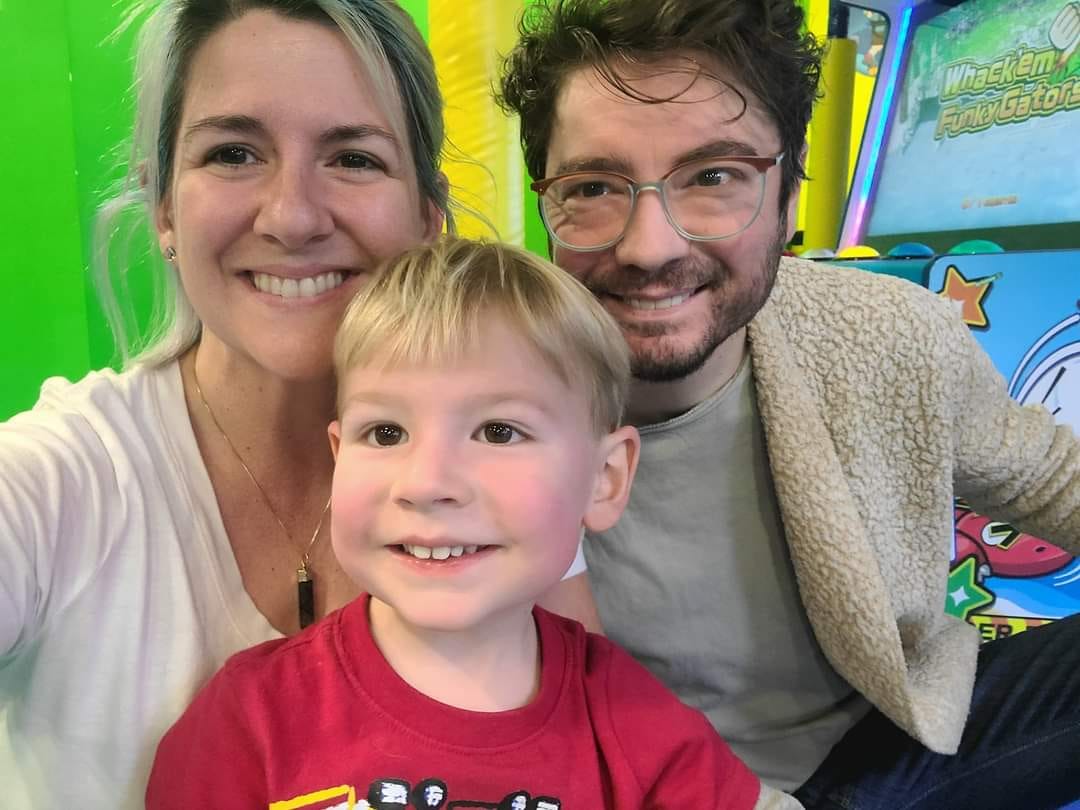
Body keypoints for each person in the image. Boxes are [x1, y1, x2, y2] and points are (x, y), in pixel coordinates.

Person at [497, 1, 1080, 808]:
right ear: (545, 204)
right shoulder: (480, 387)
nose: (651, 246)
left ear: (791, 189)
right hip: (637, 785)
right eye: (593, 186)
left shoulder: (884, 337)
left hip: (890, 746)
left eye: (714, 177)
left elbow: (1051, 477)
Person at [145, 236, 796, 809]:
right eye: (388, 431)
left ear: (605, 479)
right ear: (340, 455)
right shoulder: (248, 719)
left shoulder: (634, 728)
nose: (426, 484)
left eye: (498, 431)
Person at [0, 2, 455, 806]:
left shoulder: (496, 475)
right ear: (165, 208)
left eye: (353, 158)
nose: (292, 217)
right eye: (235, 152)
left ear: (427, 215)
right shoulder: (58, 482)